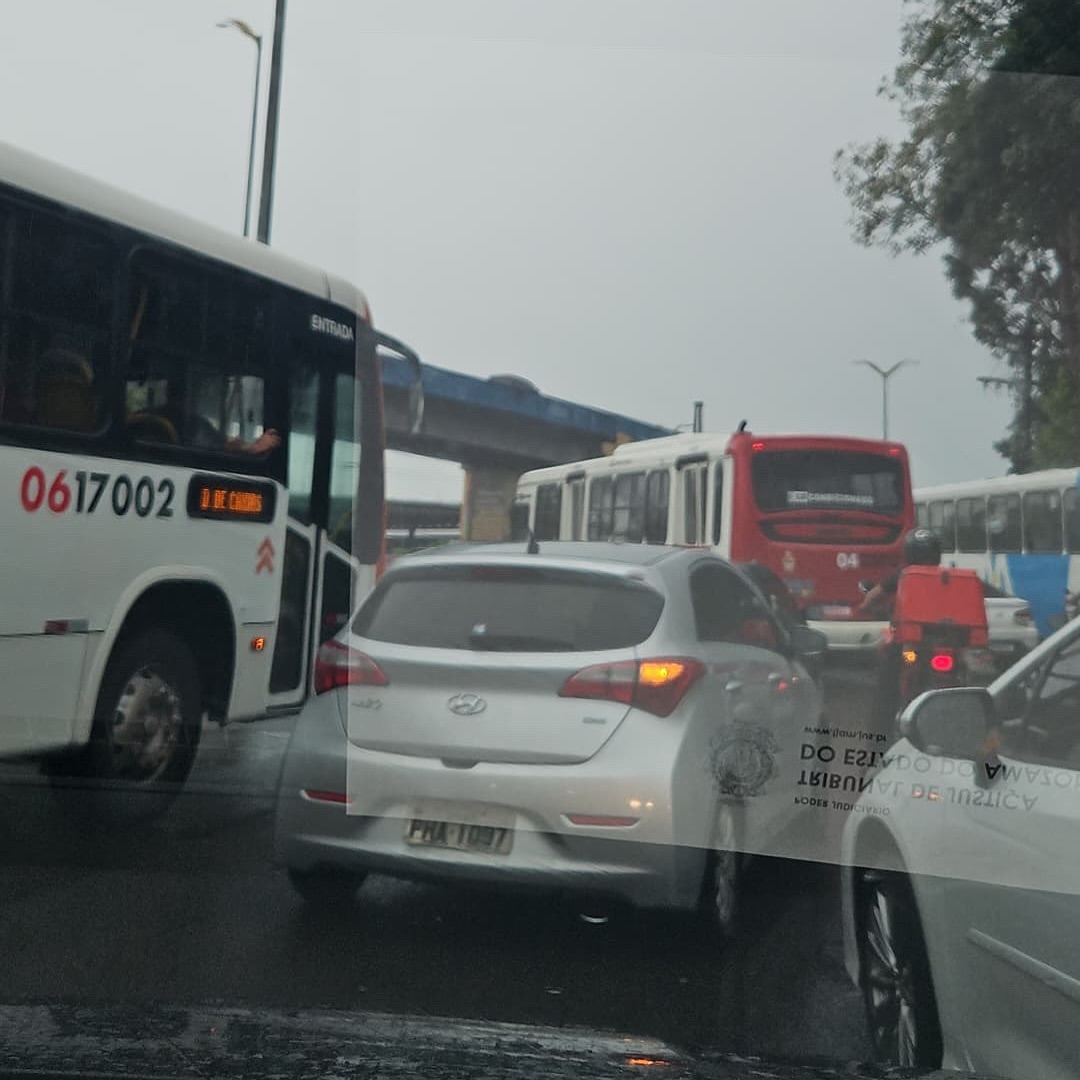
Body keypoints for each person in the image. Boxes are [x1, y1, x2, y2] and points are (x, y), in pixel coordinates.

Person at [862, 526, 944, 731]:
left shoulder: (903, 575)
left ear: (909, 552)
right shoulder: (948, 577)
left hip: (909, 648)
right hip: (945, 646)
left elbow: (871, 598)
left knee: (885, 692)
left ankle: (876, 750)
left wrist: (866, 606)